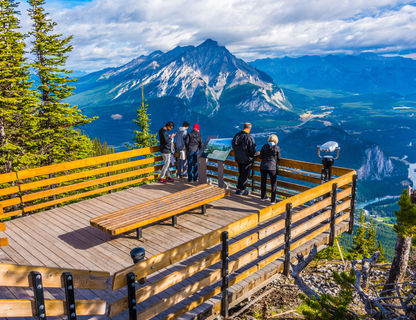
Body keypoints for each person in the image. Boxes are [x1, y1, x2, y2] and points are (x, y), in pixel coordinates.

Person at [232, 122, 256, 195]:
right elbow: (252, 150)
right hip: (246, 159)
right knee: (245, 175)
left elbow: (233, 145)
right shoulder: (249, 137)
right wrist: (256, 154)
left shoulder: (237, 135)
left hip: (238, 158)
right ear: (249, 128)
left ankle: (238, 189)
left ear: (243, 127)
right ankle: (242, 190)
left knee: (241, 174)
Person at [259, 134, 280, 204]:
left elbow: (260, 156)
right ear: (276, 140)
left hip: (263, 166)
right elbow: (279, 158)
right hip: (272, 167)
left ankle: (263, 197)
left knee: (263, 182)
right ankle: (273, 200)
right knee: (273, 183)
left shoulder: (264, 146)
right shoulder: (277, 148)